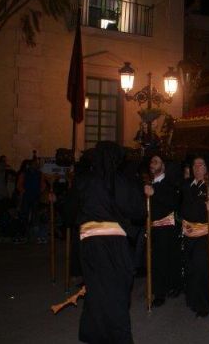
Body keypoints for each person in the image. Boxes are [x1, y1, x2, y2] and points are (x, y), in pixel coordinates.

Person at [76, 141, 149, 344]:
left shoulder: (84, 181)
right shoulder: (121, 181)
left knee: (96, 288)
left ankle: (94, 334)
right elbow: (139, 211)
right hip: (114, 246)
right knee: (117, 291)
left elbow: (71, 210)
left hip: (89, 245)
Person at [180, 157, 209, 318]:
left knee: (202, 268)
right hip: (189, 233)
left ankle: (204, 304)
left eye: (201, 164)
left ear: (207, 168)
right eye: (194, 164)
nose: (197, 167)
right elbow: (179, 207)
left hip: (207, 233)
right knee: (191, 267)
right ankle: (193, 299)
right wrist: (183, 221)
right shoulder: (187, 185)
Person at [149, 155, 182, 306]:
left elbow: (172, 203)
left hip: (166, 227)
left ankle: (163, 291)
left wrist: (154, 194)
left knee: (166, 259)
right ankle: (160, 288)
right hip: (153, 228)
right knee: (155, 259)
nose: (152, 164)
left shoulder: (169, 183)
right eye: (151, 162)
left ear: (163, 166)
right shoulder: (148, 183)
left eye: (156, 162)